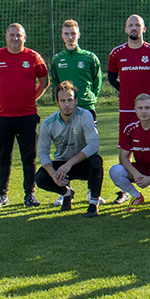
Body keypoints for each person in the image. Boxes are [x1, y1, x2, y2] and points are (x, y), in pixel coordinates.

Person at [0, 23, 49, 209]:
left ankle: (30, 195)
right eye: (11, 35)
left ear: (24, 37)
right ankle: (1, 195)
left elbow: (44, 82)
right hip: (1, 117)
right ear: (6, 37)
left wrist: (30, 98)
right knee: (3, 157)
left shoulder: (34, 57)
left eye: (18, 35)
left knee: (29, 158)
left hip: (27, 117)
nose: (15, 38)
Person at [108, 14, 150, 204]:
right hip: (126, 109)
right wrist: (124, 91)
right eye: (130, 25)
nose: (134, 28)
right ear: (125, 29)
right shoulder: (117, 53)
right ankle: (127, 189)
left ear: (143, 29)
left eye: (137, 25)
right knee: (127, 147)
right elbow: (111, 78)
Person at [48, 19, 105, 207]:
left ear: (79, 34)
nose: (70, 37)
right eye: (66, 33)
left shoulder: (90, 57)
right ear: (62, 35)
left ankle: (91, 191)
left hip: (86, 107)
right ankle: (65, 191)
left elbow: (97, 83)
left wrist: (89, 99)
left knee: (90, 147)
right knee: (65, 147)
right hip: (66, 110)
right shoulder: (57, 59)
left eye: (73, 33)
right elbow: (57, 83)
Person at [35, 81, 103, 218]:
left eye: (70, 100)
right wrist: (53, 174)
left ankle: (93, 203)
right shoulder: (48, 123)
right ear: (57, 103)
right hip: (62, 166)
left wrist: (70, 163)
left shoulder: (85, 116)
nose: (67, 104)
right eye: (63, 100)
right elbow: (42, 152)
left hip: (81, 163)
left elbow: (93, 145)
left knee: (96, 161)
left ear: (76, 101)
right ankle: (67, 193)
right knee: (40, 177)